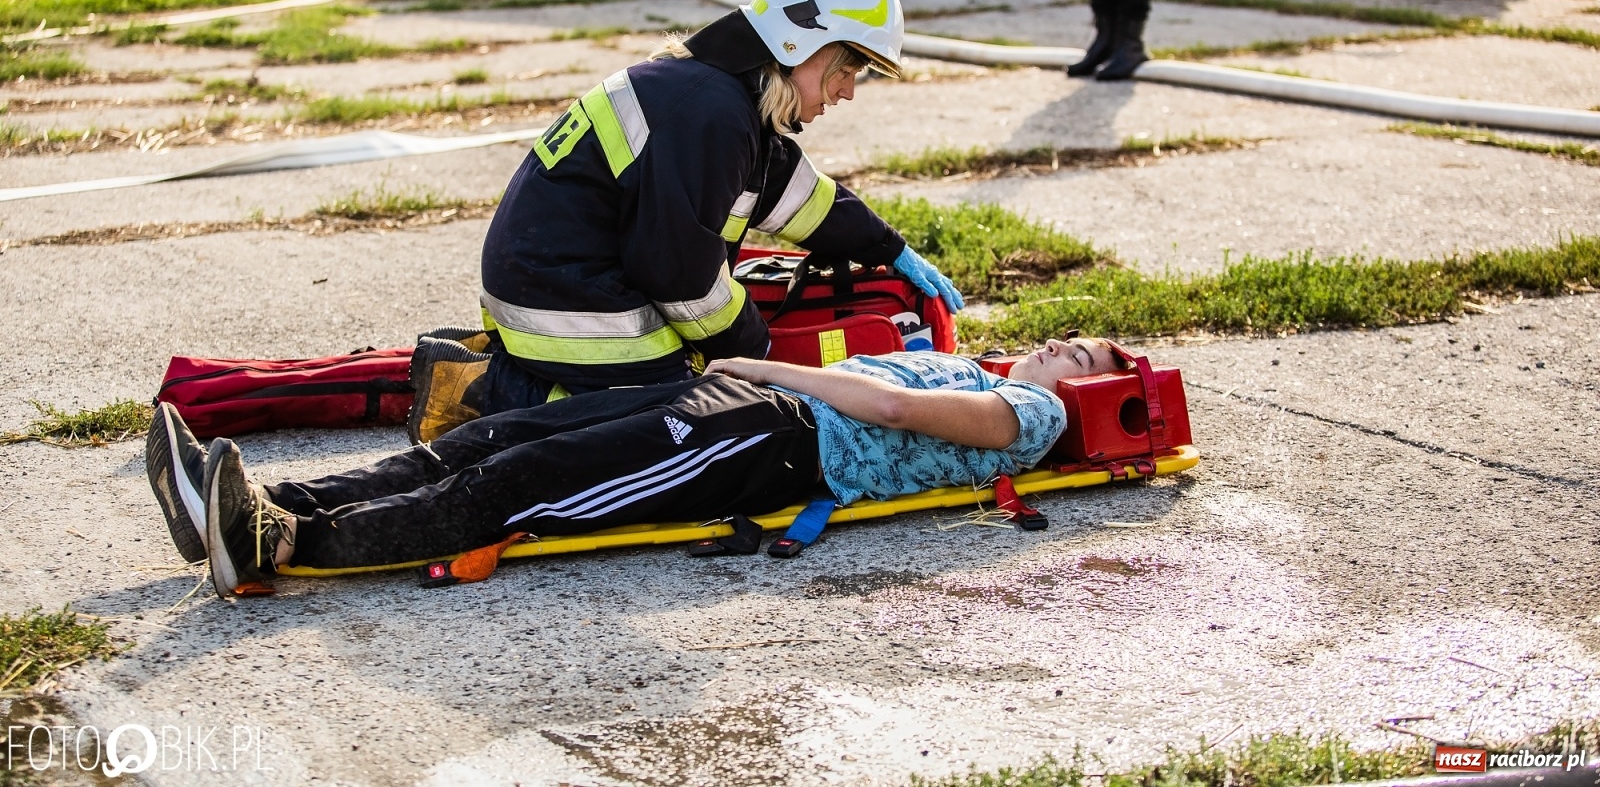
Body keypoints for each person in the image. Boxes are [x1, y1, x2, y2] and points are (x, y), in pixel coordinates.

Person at [406, 0, 965, 445]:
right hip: (570, 305)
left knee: (709, 400)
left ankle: (516, 371)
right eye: (847, 70)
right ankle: (483, 391)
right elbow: (680, 276)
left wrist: (889, 249)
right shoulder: (711, 115)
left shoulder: (720, 96)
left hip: (558, 287)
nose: (847, 91)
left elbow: (797, 195)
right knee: (686, 425)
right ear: (799, 46)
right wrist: (755, 354)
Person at [142, 338, 1130, 597]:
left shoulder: (1032, 416)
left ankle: (280, 540)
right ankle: (258, 500)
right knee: (501, 439)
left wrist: (763, 365)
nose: (1068, 349)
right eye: (1074, 342)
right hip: (759, 407)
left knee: (531, 484)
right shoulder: (986, 361)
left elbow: (894, 408)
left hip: (777, 442)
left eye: (1088, 358)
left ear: (1078, 393)